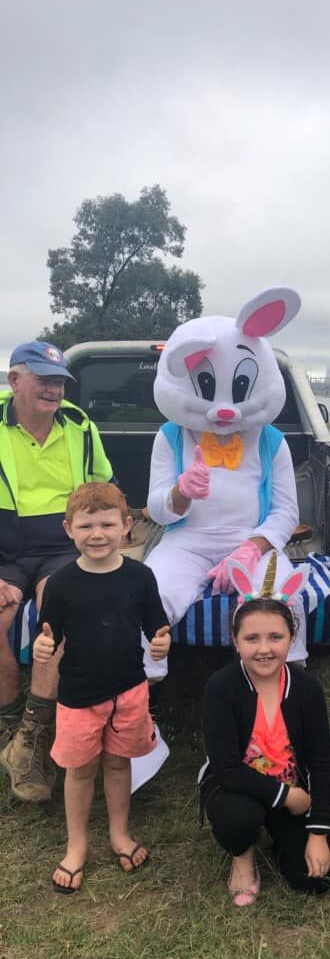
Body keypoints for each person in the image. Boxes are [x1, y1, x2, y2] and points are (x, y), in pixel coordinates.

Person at [32, 482, 170, 894]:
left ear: (126, 526)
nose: (97, 534)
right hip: (78, 696)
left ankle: (119, 833)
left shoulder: (141, 576)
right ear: (68, 529)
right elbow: (49, 635)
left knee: (118, 763)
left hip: (129, 690)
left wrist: (161, 642)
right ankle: (77, 846)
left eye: (107, 525)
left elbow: (157, 624)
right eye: (86, 525)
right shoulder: (60, 584)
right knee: (79, 770)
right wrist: (42, 647)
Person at [0, 342, 113, 802]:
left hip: (62, 546)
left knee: (58, 614)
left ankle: (31, 735)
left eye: (59, 381)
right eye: (43, 379)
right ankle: (11, 731)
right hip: (4, 549)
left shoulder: (79, 424)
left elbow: (102, 486)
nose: (54, 389)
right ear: (15, 380)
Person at [200, 554, 330, 906]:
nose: (264, 649)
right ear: (235, 641)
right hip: (237, 788)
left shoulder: (306, 689)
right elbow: (227, 768)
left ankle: (281, 837)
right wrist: (287, 797)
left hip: (292, 788)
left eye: (275, 637)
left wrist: (318, 832)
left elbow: (321, 763)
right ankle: (242, 855)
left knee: (314, 881)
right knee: (238, 818)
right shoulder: (221, 687)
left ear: (291, 638)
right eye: (252, 638)